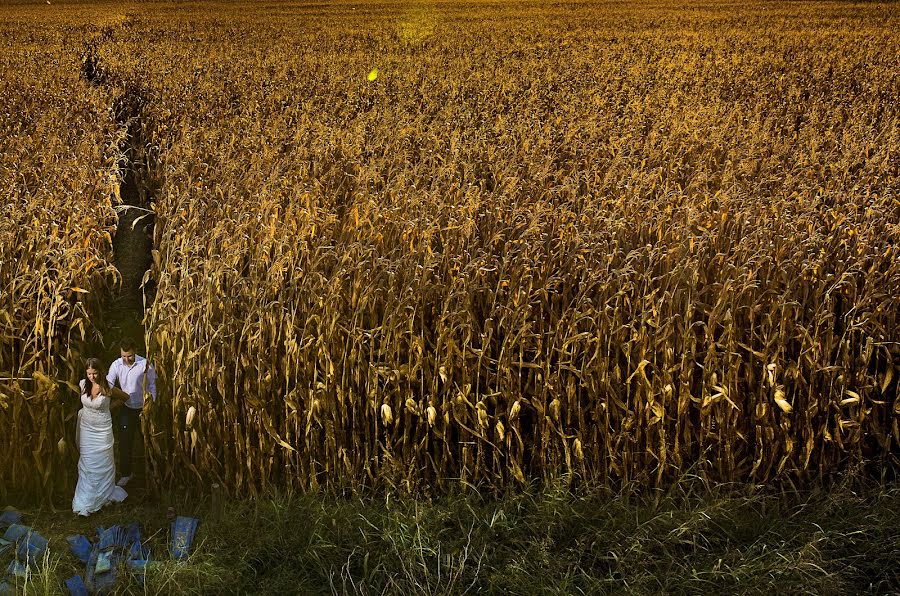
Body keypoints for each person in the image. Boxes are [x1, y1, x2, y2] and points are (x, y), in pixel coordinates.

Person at [72, 358, 128, 516]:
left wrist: (108, 408)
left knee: (102, 462)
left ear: (101, 372)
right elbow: (83, 404)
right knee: (87, 462)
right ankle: (85, 498)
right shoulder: (83, 384)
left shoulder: (108, 387)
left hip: (102, 429)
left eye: (95, 373)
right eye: (89, 373)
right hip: (86, 428)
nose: (92, 377)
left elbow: (125, 398)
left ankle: (103, 495)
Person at [107, 338, 157, 487]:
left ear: (135, 351)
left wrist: (152, 402)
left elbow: (153, 384)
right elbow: (109, 382)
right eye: (124, 356)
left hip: (144, 409)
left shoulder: (145, 364)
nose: (127, 359)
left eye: (129, 356)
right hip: (127, 408)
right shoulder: (116, 365)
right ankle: (126, 474)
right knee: (125, 442)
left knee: (146, 441)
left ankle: (150, 473)